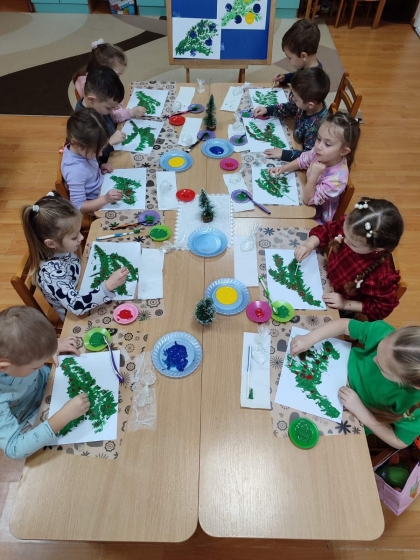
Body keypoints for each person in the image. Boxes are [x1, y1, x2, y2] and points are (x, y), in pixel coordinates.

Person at [290, 318, 420, 448]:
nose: (374, 359)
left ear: (412, 384)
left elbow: (399, 441)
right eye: (377, 351)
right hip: (337, 369)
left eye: (381, 368)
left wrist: (362, 412)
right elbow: (345, 325)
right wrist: (310, 338)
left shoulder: (414, 404)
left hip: (355, 416)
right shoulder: (386, 336)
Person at [22, 191, 128, 321]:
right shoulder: (51, 274)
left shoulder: (59, 249)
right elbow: (76, 306)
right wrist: (108, 286)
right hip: (76, 314)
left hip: (82, 283)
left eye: (79, 231)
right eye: (74, 237)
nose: (81, 237)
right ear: (51, 243)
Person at [0, 306, 88, 460]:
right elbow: (14, 450)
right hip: (29, 417)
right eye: (35, 367)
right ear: (4, 367)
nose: (42, 366)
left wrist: (49, 347)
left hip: (47, 386)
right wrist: (64, 416)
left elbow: (27, 340)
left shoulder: (14, 352)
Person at [295, 198, 404, 321]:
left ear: (378, 248)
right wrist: (309, 245)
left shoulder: (380, 276)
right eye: (345, 235)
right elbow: (327, 230)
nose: (344, 241)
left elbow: (381, 308)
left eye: (353, 244)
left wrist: (345, 304)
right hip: (322, 277)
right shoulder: (354, 228)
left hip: (340, 304)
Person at [269, 112, 361, 224]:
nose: (318, 146)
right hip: (305, 189)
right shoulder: (321, 152)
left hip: (317, 214)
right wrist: (283, 168)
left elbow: (308, 200)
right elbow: (303, 160)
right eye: (318, 138)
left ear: (343, 151)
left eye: (327, 144)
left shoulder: (337, 181)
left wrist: (314, 175)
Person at [254, 67, 330, 162]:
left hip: (301, 154)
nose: (292, 99)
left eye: (296, 99)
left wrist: (283, 154)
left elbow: (310, 156)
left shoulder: (317, 128)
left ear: (310, 105)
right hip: (295, 139)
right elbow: (290, 108)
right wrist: (267, 110)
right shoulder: (306, 104)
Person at [61, 108, 123, 212]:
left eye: (102, 149)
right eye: (96, 151)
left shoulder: (81, 150)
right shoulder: (75, 171)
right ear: (76, 144)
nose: (100, 154)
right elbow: (79, 206)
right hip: (96, 203)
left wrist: (99, 167)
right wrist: (105, 199)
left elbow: (87, 170)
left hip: (103, 186)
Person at [73, 38, 146, 121]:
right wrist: (130, 113)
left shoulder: (98, 82)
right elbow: (112, 116)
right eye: (117, 75)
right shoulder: (98, 92)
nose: (117, 79)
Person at [75, 66, 127, 163]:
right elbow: (91, 157)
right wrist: (109, 142)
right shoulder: (83, 124)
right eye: (109, 108)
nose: (111, 111)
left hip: (115, 149)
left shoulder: (98, 107)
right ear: (91, 100)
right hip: (105, 162)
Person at [273, 19, 321, 86]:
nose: (287, 60)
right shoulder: (307, 66)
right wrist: (285, 78)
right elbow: (298, 76)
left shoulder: (314, 82)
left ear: (303, 56)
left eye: (290, 58)